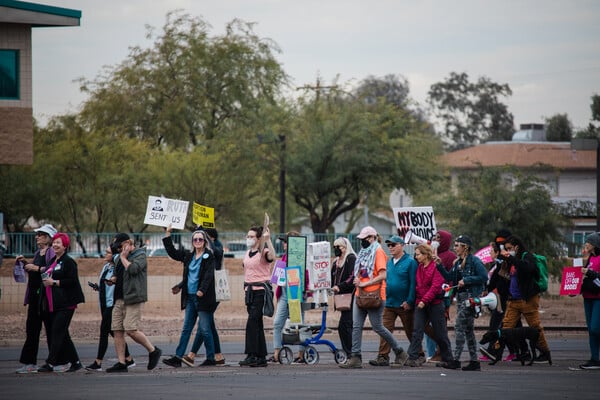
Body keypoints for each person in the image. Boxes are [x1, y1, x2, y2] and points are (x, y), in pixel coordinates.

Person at [340, 226, 409, 369]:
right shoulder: (363, 253)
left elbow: (383, 275)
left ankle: (400, 352)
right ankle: (356, 357)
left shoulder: (378, 252)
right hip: (361, 295)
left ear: (372, 238)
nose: (362, 241)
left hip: (375, 295)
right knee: (357, 326)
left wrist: (364, 283)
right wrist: (358, 281)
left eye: (364, 239)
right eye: (360, 239)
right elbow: (361, 272)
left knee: (378, 327)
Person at [370, 235, 433, 367]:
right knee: (385, 330)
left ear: (402, 245)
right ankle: (383, 356)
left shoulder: (410, 262)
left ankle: (419, 354)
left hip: (404, 303)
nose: (391, 247)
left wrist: (410, 301)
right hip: (389, 302)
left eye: (394, 245)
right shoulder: (389, 262)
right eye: (389, 245)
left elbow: (413, 283)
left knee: (410, 330)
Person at [162, 226, 217, 368]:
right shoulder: (188, 256)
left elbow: (208, 276)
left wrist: (202, 290)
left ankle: (211, 358)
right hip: (190, 297)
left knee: (205, 329)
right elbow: (173, 253)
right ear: (192, 241)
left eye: (200, 239)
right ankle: (178, 357)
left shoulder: (209, 256)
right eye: (195, 239)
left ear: (204, 241)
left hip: (203, 298)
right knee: (186, 328)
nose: (198, 241)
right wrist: (168, 234)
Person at [106, 233, 162, 372]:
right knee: (117, 330)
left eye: (120, 246)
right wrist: (113, 279)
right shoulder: (119, 258)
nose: (118, 250)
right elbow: (118, 274)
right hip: (119, 298)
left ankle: (153, 350)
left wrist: (124, 257)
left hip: (133, 298)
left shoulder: (140, 255)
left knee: (131, 329)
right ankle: (121, 362)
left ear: (127, 243)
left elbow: (133, 269)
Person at [37, 232, 85, 373]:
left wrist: (55, 282)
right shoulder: (54, 261)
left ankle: (51, 363)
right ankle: (76, 362)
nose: (55, 245)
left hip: (66, 303)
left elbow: (72, 281)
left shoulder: (69, 262)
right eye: (54, 242)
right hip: (54, 303)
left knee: (57, 332)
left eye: (58, 243)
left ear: (65, 246)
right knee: (63, 334)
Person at [500, 235, 552, 363]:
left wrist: (511, 258)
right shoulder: (512, 260)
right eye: (506, 249)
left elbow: (528, 268)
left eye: (510, 248)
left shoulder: (527, 257)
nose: (508, 251)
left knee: (534, 327)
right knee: (506, 326)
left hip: (527, 299)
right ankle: (496, 350)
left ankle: (545, 352)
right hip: (513, 300)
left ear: (516, 247)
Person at [15, 224, 57, 374]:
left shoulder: (51, 252)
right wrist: (26, 264)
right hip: (34, 297)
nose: (36, 237)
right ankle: (29, 362)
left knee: (51, 329)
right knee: (31, 329)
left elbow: (53, 270)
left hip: (45, 298)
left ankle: (55, 362)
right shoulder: (38, 253)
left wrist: (37, 268)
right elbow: (36, 271)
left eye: (39, 234)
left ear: (47, 238)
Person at [85, 246, 134, 371]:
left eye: (108, 252)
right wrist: (98, 287)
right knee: (114, 332)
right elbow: (106, 284)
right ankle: (128, 358)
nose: (105, 254)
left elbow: (117, 284)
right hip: (104, 303)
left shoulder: (118, 268)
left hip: (112, 304)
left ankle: (98, 362)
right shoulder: (106, 267)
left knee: (104, 331)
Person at [443, 235, 488, 371]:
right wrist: (439, 265)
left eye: (457, 245)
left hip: (470, 299)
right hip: (462, 298)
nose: (454, 248)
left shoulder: (474, 261)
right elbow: (449, 277)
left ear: (465, 247)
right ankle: (474, 361)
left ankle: (456, 360)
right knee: (468, 330)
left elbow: (484, 277)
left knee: (459, 327)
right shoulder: (458, 263)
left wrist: (467, 280)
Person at [405, 244, 454, 368]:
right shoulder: (420, 267)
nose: (416, 257)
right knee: (417, 330)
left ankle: (448, 358)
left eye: (418, 254)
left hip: (435, 304)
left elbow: (435, 286)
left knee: (440, 332)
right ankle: (413, 357)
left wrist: (424, 301)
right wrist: (418, 301)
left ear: (426, 255)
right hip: (421, 303)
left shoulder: (435, 267)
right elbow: (418, 285)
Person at [182, 227, 225, 366]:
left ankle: (193, 354)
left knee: (204, 326)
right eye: (197, 239)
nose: (200, 241)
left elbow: (216, 254)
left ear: (209, 238)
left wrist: (205, 237)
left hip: (212, 293)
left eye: (203, 238)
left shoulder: (216, 248)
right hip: (202, 292)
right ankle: (217, 356)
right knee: (209, 326)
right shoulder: (197, 253)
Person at [239, 225, 276, 367]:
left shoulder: (264, 251)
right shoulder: (247, 253)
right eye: (247, 236)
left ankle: (252, 354)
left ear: (258, 239)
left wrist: (268, 240)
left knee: (252, 323)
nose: (249, 239)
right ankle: (261, 357)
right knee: (257, 324)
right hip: (249, 291)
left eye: (251, 236)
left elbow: (272, 257)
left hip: (260, 291)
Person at [270, 231, 306, 364]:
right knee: (277, 323)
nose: (284, 244)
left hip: (296, 293)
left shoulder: (302, 257)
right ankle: (277, 353)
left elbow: (305, 276)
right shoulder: (284, 257)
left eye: (286, 242)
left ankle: (302, 353)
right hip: (285, 294)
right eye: (284, 242)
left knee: (299, 324)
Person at [330, 237, 356, 358]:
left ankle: (351, 353)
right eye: (335, 247)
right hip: (341, 297)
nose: (337, 249)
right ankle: (349, 352)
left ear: (345, 248)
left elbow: (352, 276)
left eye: (339, 247)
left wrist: (340, 286)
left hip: (351, 296)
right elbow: (331, 278)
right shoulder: (336, 262)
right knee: (344, 326)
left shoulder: (351, 258)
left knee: (345, 325)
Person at [578, 233, 600, 369]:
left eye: (589, 242)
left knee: (595, 327)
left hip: (598, 297)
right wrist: (576, 289)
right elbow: (586, 278)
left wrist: (589, 273)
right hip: (588, 296)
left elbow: (595, 276)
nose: (586, 244)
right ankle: (594, 358)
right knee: (591, 330)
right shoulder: (591, 258)